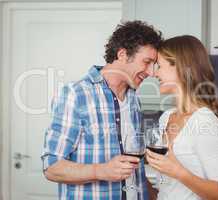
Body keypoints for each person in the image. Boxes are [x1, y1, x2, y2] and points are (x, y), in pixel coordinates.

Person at [41, 20, 163, 200]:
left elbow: (135, 167)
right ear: (122, 54)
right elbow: (51, 168)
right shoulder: (76, 95)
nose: (151, 72)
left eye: (154, 65)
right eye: (147, 62)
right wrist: (101, 170)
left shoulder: (134, 99)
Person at [146, 35, 218, 200]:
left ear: (180, 67)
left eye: (159, 66)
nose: (154, 73)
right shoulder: (166, 117)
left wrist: (178, 172)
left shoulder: (204, 121)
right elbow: (168, 188)